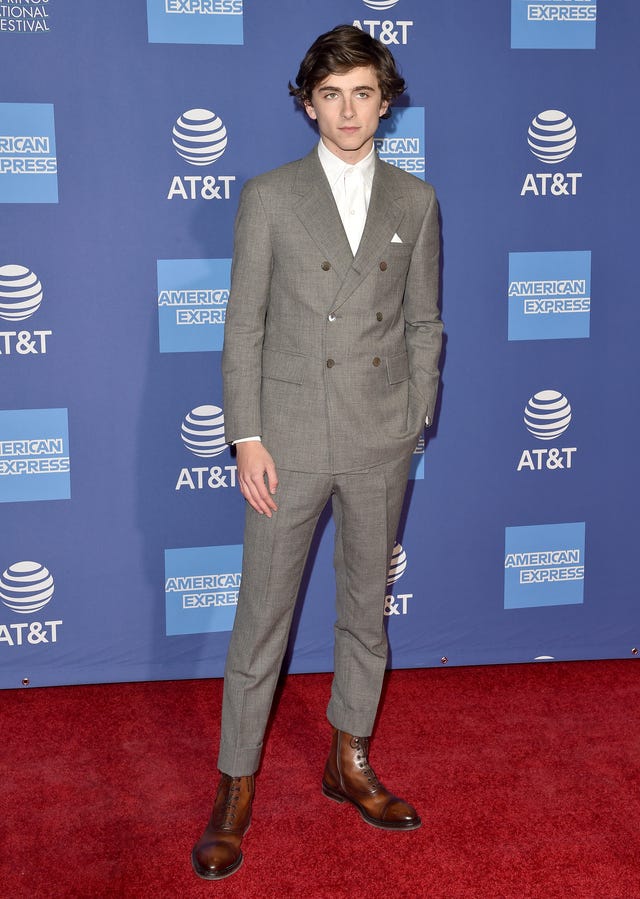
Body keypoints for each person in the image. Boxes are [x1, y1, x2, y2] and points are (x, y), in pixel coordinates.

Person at [192, 24, 442, 881]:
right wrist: (247, 435)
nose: (348, 109)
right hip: (288, 439)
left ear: (386, 100)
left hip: (379, 437)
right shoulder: (267, 196)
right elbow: (243, 325)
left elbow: (422, 324)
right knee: (261, 617)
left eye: (363, 92)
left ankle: (350, 757)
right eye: (331, 94)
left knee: (364, 613)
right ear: (308, 104)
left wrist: (414, 413)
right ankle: (234, 782)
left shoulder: (416, 200)